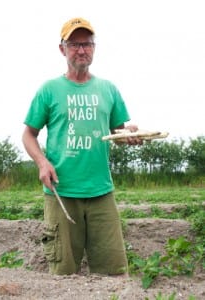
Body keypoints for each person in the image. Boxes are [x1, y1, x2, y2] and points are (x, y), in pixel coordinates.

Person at [22, 17, 141, 276]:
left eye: (87, 44)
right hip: (61, 193)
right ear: (62, 49)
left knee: (114, 273)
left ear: (94, 48)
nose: (81, 50)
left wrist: (130, 134)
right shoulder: (49, 90)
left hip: (101, 191)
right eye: (74, 44)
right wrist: (42, 163)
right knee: (63, 274)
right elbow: (28, 134)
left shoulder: (108, 89)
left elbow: (118, 133)